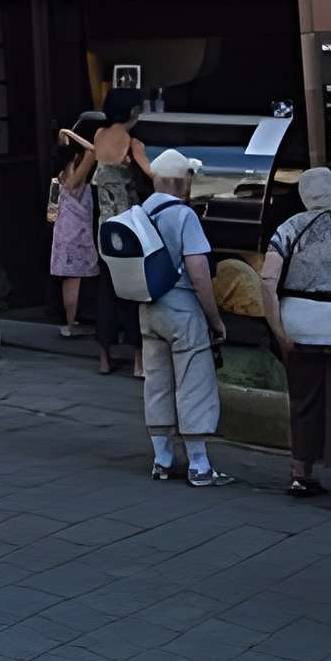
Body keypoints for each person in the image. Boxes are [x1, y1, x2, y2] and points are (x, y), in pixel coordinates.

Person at [134, 147, 231, 487]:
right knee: (194, 381)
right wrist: (214, 318)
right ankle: (199, 464)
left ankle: (162, 459)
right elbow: (198, 269)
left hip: (148, 308)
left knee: (157, 382)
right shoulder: (184, 216)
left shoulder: (139, 212)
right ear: (182, 181)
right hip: (182, 309)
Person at [61, 90, 154, 377]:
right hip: (130, 229)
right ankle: (139, 360)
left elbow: (74, 185)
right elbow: (154, 177)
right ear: (132, 113)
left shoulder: (98, 137)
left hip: (103, 229)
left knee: (106, 291)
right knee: (135, 292)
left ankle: (104, 358)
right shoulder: (132, 143)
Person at [259, 166, 331, 499]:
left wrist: (279, 330)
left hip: (300, 325)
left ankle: (300, 473)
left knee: (304, 400)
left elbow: (267, 281)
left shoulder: (289, 227)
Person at [47, 134, 99, 336]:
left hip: (62, 233)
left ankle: (71, 322)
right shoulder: (75, 180)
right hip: (77, 234)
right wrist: (70, 133)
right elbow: (92, 150)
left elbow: (51, 212)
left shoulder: (59, 177)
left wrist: (63, 136)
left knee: (70, 280)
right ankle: (74, 322)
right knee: (77, 279)